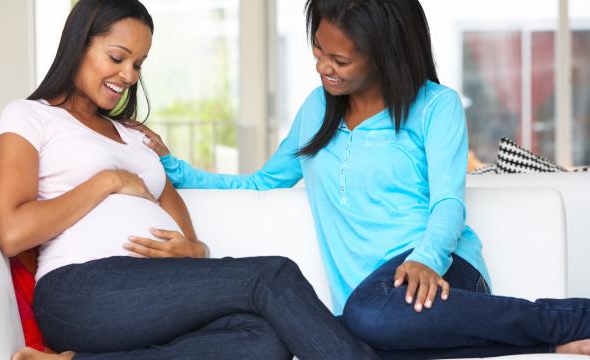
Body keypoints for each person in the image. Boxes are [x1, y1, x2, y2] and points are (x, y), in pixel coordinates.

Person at [135, 0, 590, 358]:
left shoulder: (436, 106)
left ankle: (569, 318)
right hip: (371, 305)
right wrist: (172, 167)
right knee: (347, 338)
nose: (323, 67)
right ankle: (546, 345)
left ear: (384, 55)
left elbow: (448, 202)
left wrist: (426, 259)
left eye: (340, 59)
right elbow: (263, 183)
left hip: (443, 274)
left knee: (364, 318)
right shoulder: (317, 109)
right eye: (318, 50)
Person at [0, 1, 379, 359]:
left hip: (153, 289)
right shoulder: (30, 117)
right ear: (78, 46)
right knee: (272, 275)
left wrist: (194, 251)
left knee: (263, 341)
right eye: (117, 57)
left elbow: (188, 237)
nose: (128, 76)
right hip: (81, 291)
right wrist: (108, 182)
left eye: (138, 64)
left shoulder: (133, 135)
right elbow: (12, 231)